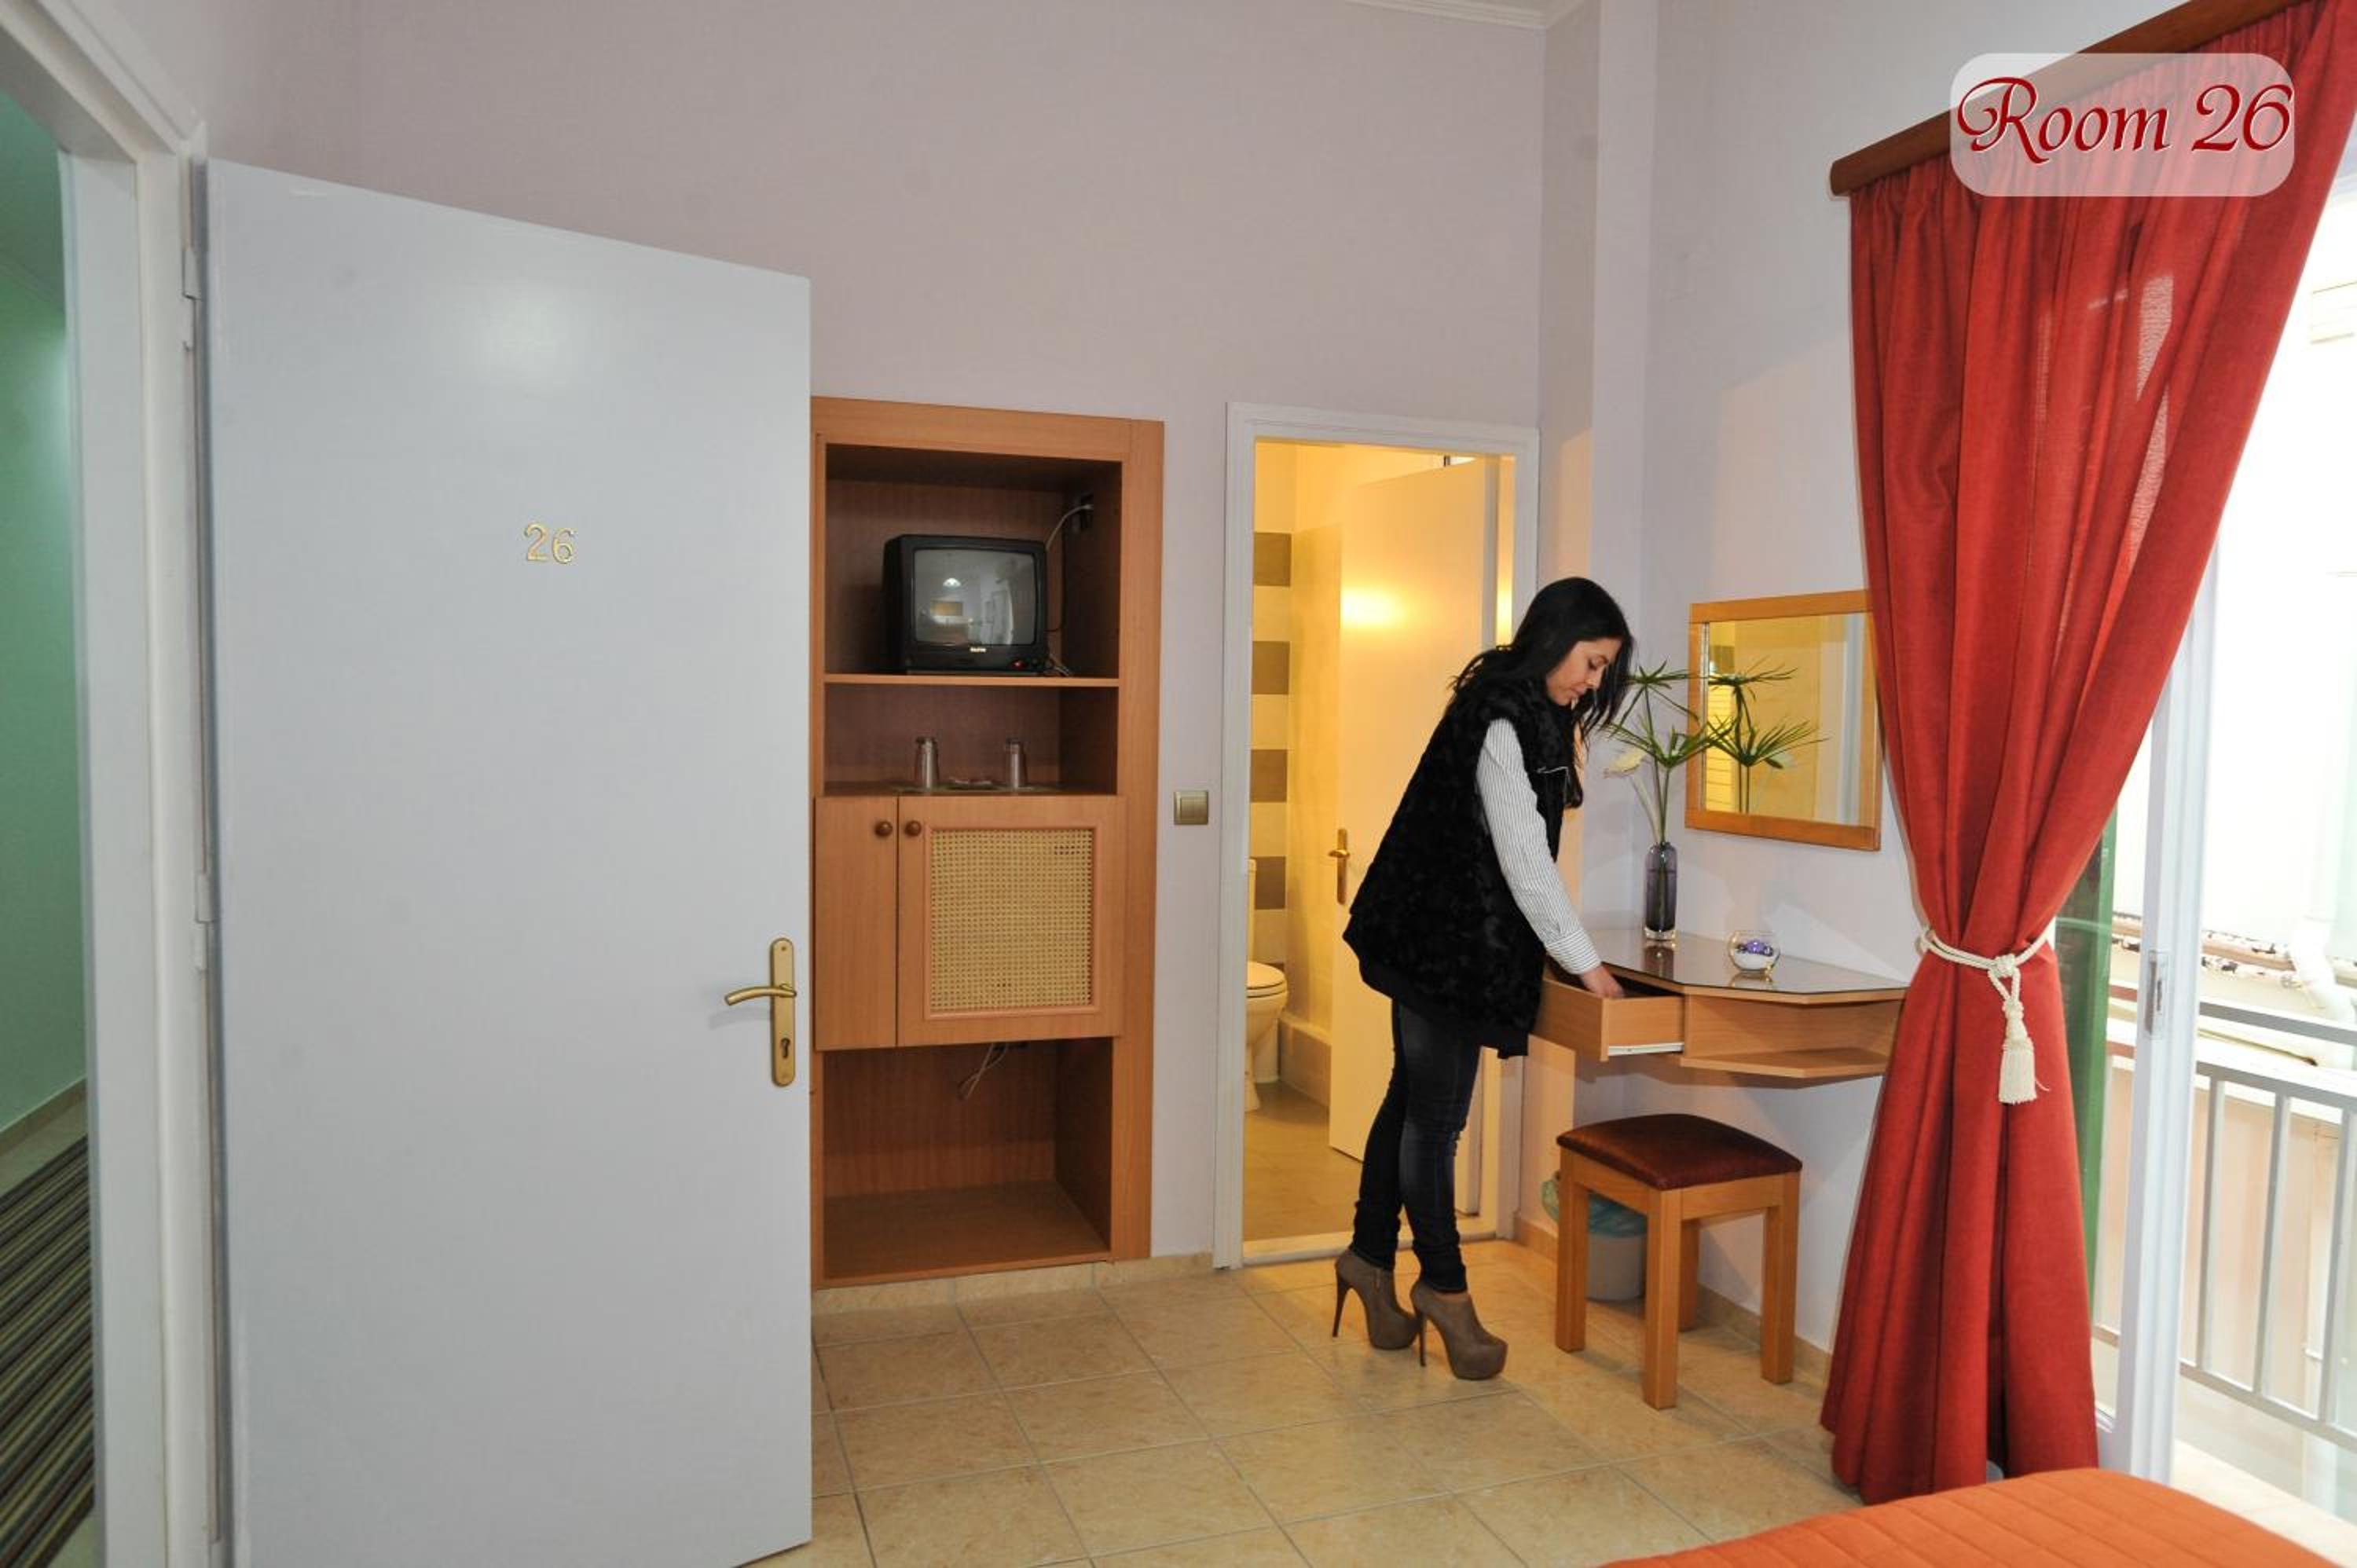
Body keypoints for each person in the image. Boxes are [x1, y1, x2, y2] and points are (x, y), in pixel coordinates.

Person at [1334, 577, 1632, 1379]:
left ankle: (1367, 1259)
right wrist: (1587, 966)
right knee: (1436, 1123)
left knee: (1408, 1102)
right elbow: (1525, 863)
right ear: (1556, 639)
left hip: (1433, 934)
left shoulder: (1522, 708)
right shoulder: (1503, 717)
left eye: (1604, 671)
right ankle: (1445, 1289)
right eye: (1591, 663)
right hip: (1441, 944)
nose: (1593, 682)